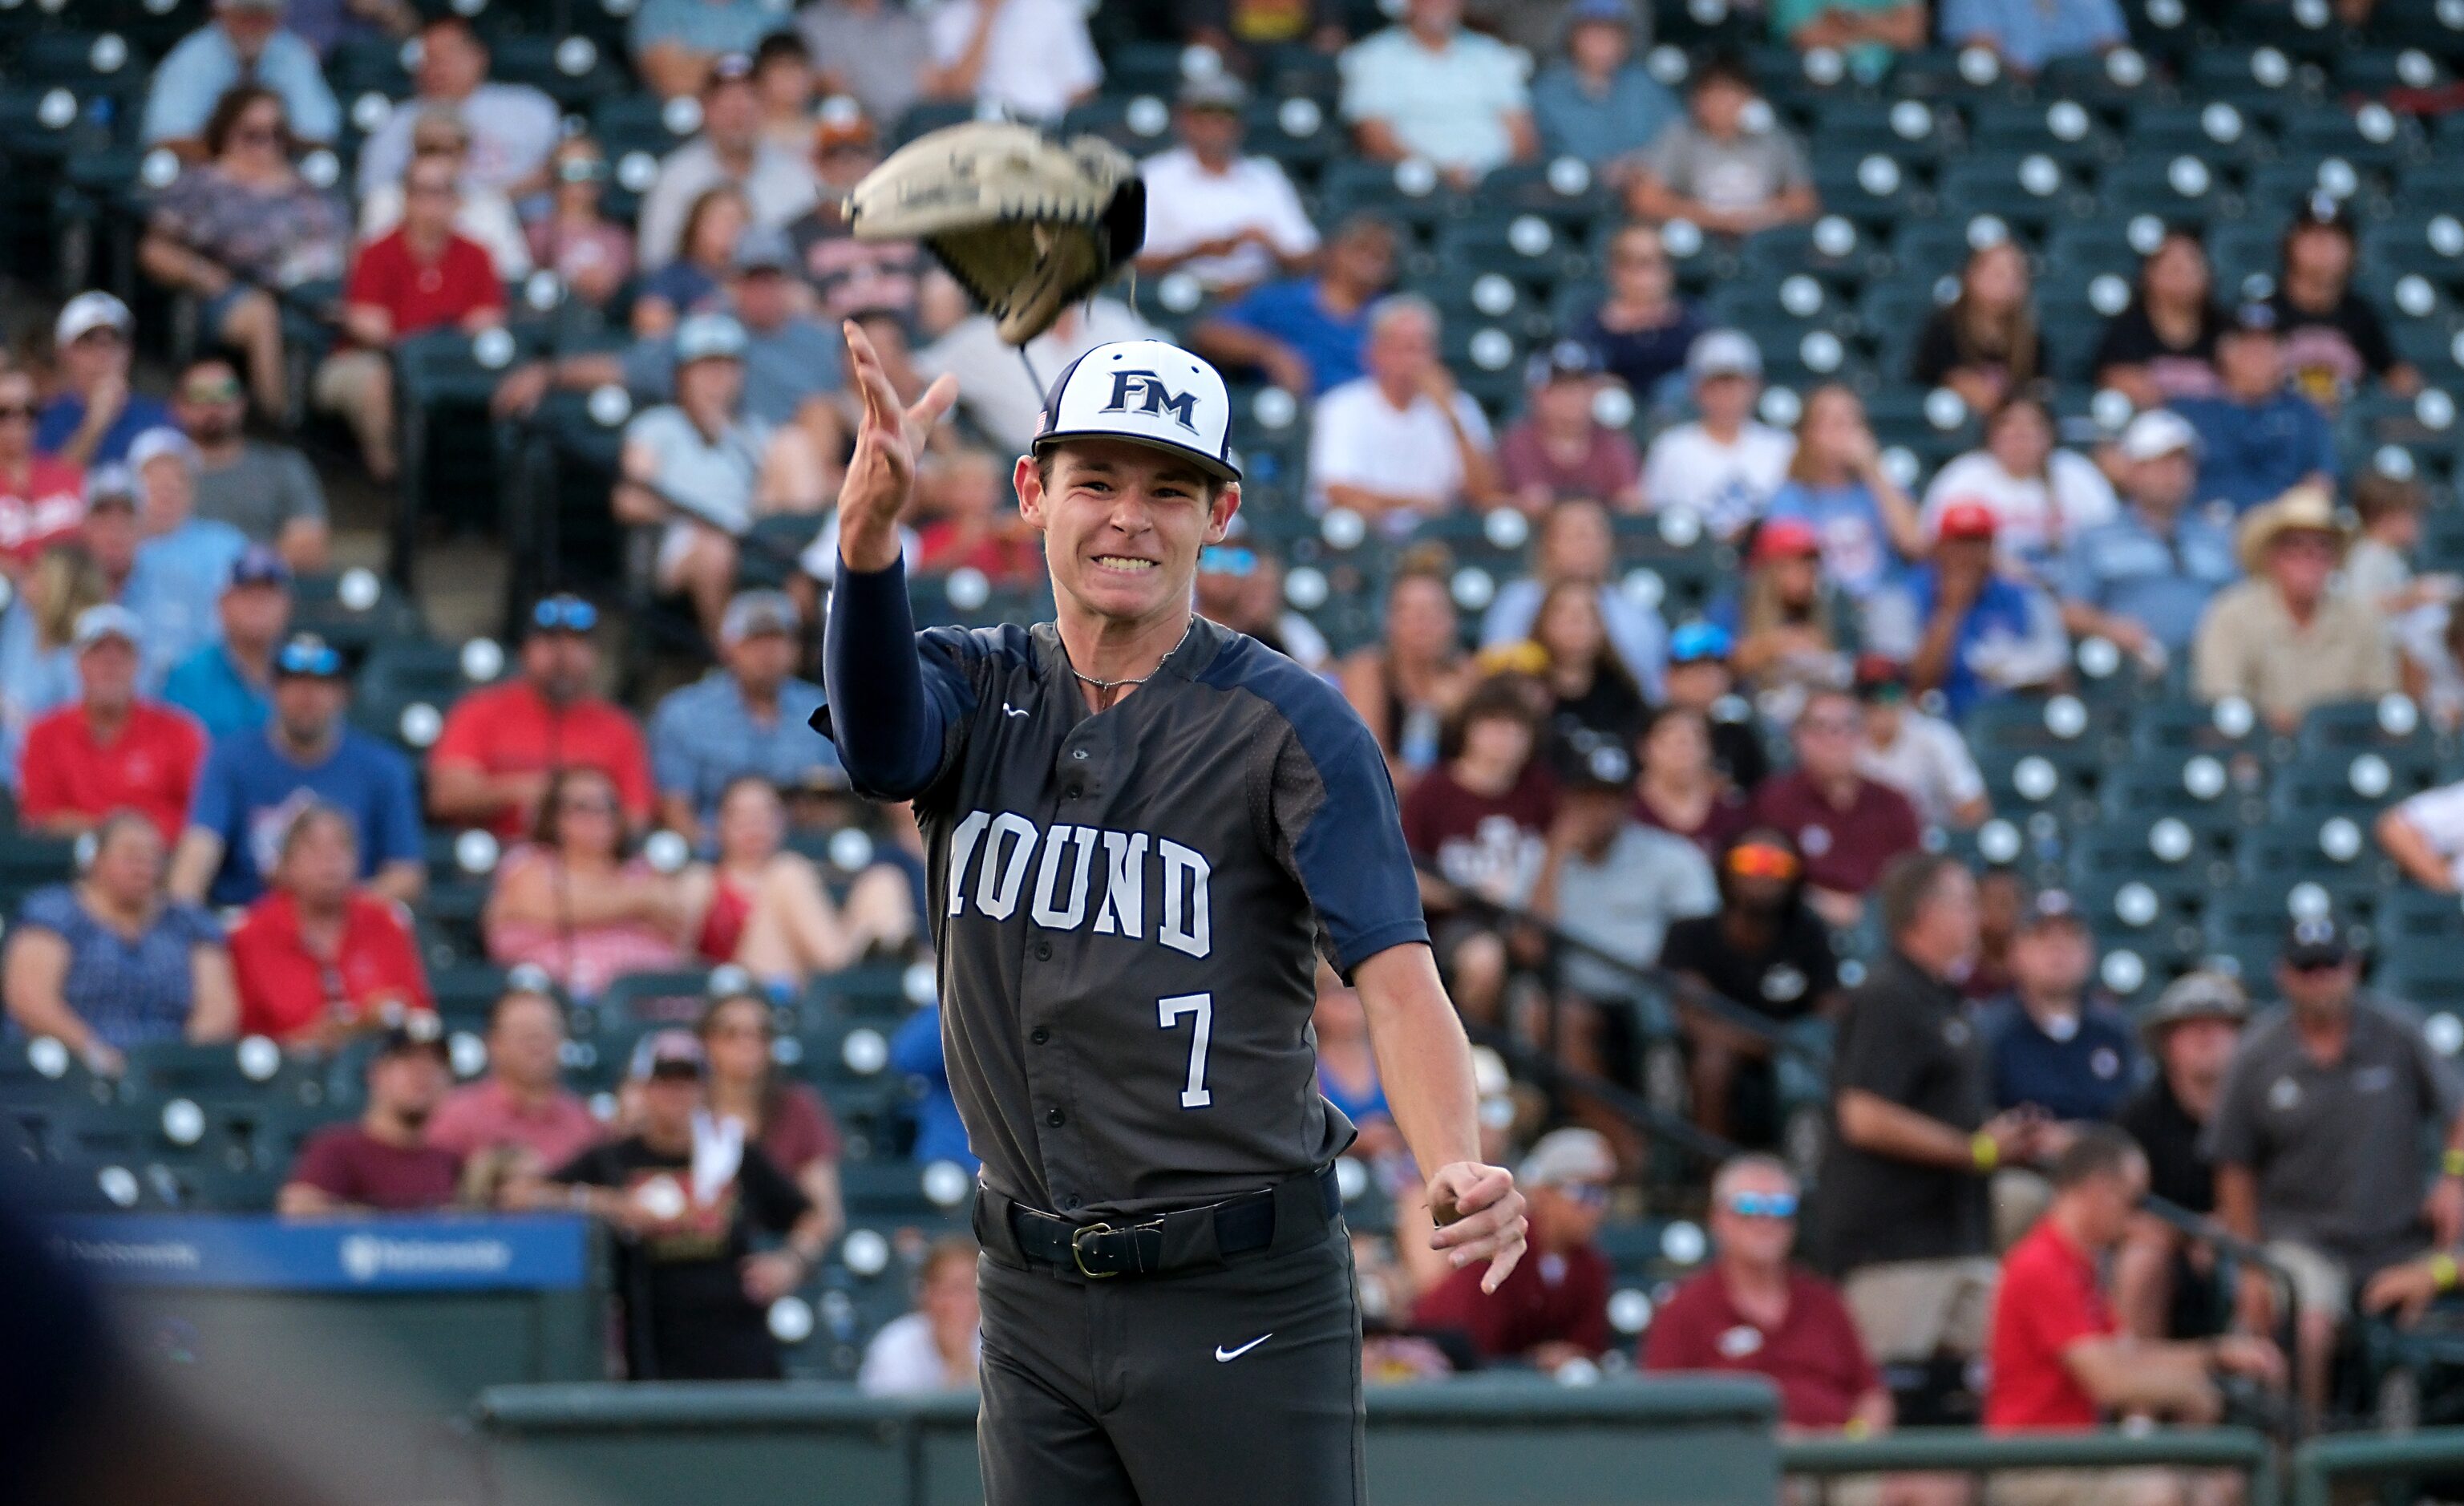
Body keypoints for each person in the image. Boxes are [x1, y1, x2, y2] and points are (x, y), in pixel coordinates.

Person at [820, 321, 1527, 1500]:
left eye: (1169, 488)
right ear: (1032, 490)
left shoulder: (1293, 723)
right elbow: (881, 749)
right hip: (1032, 1286)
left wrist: (1456, 1160)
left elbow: (1397, 976)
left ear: (1223, 512)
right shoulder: (971, 676)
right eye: (1095, 480)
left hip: (1238, 1287)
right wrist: (867, 542)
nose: (1128, 517)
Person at [2208, 915, 2464, 1423]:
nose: (2321, 978)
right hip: (2302, 1239)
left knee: (2420, 1339)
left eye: (2331, 965)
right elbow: (2233, 1164)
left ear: (2354, 968)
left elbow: (2459, 1111)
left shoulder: (2396, 1029)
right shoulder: (2258, 1052)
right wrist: (2252, 1263)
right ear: (2283, 975)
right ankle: (2311, 1458)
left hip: (2397, 1238)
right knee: (2312, 1321)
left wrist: (2454, 1178)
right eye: (2308, 968)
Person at [1817, 854, 2054, 1371]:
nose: (1980, 918)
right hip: (1893, 1248)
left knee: (1979, 1390)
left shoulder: (1947, 1000)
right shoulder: (1888, 995)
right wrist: (1972, 1150)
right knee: (1890, 1402)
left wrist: (2003, 1139)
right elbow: (1862, 1113)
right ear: (1926, 912)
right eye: (1967, 903)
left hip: (1957, 1236)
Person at [1984, 1127, 2284, 1506]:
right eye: (2131, 1201)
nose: (2133, 1218)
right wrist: (2195, 1389)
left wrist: (2216, 1355)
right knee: (2159, 1491)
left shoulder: (2078, 1262)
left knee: (2217, 1487)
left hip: (2076, 1456)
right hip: (2034, 1464)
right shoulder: (2042, 1263)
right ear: (2097, 1191)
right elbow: (2110, 1381)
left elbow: (2127, 1353)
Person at [1646, 1156, 1963, 1506]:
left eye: (1781, 1208)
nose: (1767, 1220)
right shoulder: (1684, 1309)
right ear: (1719, 1220)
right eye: (1749, 1207)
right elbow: (1664, 1415)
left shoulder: (1823, 1300)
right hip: (1743, 1466)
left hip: (1839, 1461)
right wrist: (1756, 1446)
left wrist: (1851, 1441)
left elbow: (1872, 1396)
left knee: (1938, 1488)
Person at [532, 1030, 832, 1380]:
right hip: (651, 1346)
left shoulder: (733, 1153)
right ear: (643, 1088)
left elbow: (810, 1215)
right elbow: (524, 1193)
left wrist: (791, 1262)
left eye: (687, 1082)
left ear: (704, 1089)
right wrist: (606, 1202)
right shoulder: (614, 1160)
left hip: (738, 1346)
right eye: (664, 1082)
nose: (675, 1094)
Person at [137, 87, 350, 424]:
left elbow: (347, 243)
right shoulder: (204, 183)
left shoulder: (309, 185)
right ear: (227, 131)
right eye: (253, 134)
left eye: (276, 134)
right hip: (243, 291)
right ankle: (282, 425)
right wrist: (199, 273)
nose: (267, 144)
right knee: (263, 314)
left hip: (319, 291)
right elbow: (156, 249)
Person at [172, 633, 424, 909]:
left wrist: (327, 908)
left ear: (344, 694)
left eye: (321, 684)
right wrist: (187, 923)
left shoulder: (383, 768)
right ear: (273, 691)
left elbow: (406, 875)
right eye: (294, 683)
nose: (307, 695)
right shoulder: (231, 758)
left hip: (347, 929)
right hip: (249, 924)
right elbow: (198, 852)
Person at [1531, 745, 1718, 1097]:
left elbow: (1703, 941)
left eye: (1610, 799)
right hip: (1578, 996)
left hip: (1654, 996)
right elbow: (1530, 947)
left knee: (1679, 1015)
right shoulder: (1543, 857)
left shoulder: (1671, 856)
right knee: (1549, 1014)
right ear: (1566, 801)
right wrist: (1554, 857)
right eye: (1587, 798)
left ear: (1629, 804)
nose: (1598, 811)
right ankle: (1628, 1145)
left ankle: (1671, 1139)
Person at [616, 314, 811, 641]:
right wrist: (703, 518)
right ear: (682, 374)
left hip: (748, 538)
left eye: (727, 366)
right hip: (679, 539)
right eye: (706, 366)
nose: (718, 377)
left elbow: (774, 499)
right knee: (714, 548)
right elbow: (629, 500)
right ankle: (730, 661)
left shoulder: (754, 432)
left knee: (799, 569)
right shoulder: (657, 424)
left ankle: (799, 668)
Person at [318, 152, 507, 482]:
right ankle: (398, 489)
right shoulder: (377, 251)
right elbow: (372, 328)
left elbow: (487, 322)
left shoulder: (476, 254)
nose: (432, 202)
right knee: (383, 384)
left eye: (442, 191)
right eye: (422, 191)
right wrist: (440, 332)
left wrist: (421, 336)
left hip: (449, 365)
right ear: (406, 197)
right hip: (371, 360)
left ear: (456, 200)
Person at [2, 810, 235, 1075]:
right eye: (131, 856)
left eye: (153, 857)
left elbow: (217, 1010)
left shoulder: (188, 922)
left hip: (168, 1074)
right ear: (96, 860)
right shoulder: (53, 912)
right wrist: (96, 1055)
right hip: (68, 1071)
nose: (143, 866)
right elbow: (30, 999)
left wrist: (176, 1064)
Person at [1660, 828, 1842, 1140]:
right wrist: (1774, 1045)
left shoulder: (1810, 933)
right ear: (1725, 869)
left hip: (1796, 1059)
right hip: (1722, 1055)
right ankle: (1715, 1172)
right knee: (1713, 1061)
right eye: (1750, 862)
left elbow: (1831, 1011)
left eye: (1776, 864)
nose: (1762, 873)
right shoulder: (1690, 934)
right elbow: (1693, 1016)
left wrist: (1790, 1046)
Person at [428, 594, 656, 840]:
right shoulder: (479, 709)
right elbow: (446, 796)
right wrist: (531, 791)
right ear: (525, 650)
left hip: (585, 864)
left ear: (594, 655)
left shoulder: (618, 726)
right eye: (549, 641)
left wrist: (579, 805)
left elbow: (637, 818)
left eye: (576, 642)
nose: (562, 656)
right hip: (495, 855)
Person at [1402, 674, 1558, 1026]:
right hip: (1453, 923)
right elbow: (1408, 878)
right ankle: (1473, 1051)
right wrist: (1471, 895)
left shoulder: (1541, 790)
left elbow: (1559, 861)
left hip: (1528, 922)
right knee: (1483, 961)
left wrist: (1535, 914)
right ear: (1468, 729)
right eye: (1493, 726)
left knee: (1543, 1001)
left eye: (1516, 729)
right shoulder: (1433, 791)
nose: (1504, 740)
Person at [2113, 973, 2248, 1344]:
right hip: (2163, 1247)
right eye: (2191, 1028)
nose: (2205, 1037)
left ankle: (2255, 1393)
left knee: (2257, 1273)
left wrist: (2230, 1227)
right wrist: (2184, 1234)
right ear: (2167, 1044)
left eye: (2219, 1027)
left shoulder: (2262, 1110)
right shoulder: (2138, 1116)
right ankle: (2140, 1393)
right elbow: (2113, 1205)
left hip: (2244, 1243)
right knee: (2141, 1260)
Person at [2191, 485, 2393, 733]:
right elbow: (2220, 704)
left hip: (2340, 754)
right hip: (2255, 754)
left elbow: (2379, 708)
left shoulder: (2362, 619)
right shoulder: (2231, 615)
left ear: (2334, 558)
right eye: (2294, 545)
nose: (2309, 557)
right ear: (2271, 556)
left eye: (2322, 546)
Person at [483, 766, 694, 1000]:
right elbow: (561, 904)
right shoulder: (527, 862)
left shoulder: (639, 868)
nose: (599, 814)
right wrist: (641, 900)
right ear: (553, 816)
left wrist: (632, 900)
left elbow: (676, 921)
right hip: (556, 1003)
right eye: (583, 806)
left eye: (609, 806)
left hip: (648, 1004)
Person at [227, 804, 430, 1046]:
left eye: (341, 847)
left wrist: (379, 1017)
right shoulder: (250, 934)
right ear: (286, 864)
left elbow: (421, 1016)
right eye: (314, 848)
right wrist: (321, 1036)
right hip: (285, 1076)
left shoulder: (386, 923)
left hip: (382, 1066)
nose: (330, 859)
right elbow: (241, 1041)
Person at [1412, 1129, 1611, 1372]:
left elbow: (1588, 1346)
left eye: (1602, 1194)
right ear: (1544, 1193)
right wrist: (1532, 1360)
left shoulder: (1590, 1266)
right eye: (1583, 1192)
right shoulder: (1501, 1243)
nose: (1595, 1207)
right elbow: (1469, 1339)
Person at [2057, 409, 2239, 666]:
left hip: (2209, 666)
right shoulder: (2096, 537)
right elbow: (2069, 610)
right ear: (2133, 470)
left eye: (2183, 463)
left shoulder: (2219, 536)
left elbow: (2243, 603)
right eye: (2162, 463)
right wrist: (2109, 628)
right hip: (2128, 669)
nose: (2174, 474)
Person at [695, 774, 912, 983]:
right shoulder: (704, 881)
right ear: (720, 823)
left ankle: (885, 977)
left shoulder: (808, 870)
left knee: (883, 880)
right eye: (743, 815)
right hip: (760, 993)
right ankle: (850, 976)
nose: (755, 825)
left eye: (765, 813)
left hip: (820, 975)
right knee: (786, 872)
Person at [650, 590, 831, 841]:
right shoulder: (683, 713)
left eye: (778, 639)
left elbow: (837, 804)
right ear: (727, 646)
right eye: (755, 640)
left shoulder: (823, 709)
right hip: (711, 856)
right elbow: (676, 812)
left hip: (801, 853)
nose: (768, 652)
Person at [18, 606, 204, 844]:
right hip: (70, 870)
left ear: (138, 664)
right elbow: (41, 819)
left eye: (122, 652)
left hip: (159, 866)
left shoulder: (180, 733)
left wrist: (100, 830)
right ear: (79, 662)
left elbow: (199, 819)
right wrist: (121, 835)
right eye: (98, 651)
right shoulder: (45, 734)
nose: (110, 663)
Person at [1308, 296, 1500, 525]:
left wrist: (1451, 417)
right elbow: (1339, 492)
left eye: (1423, 349)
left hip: (1439, 541)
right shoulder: (1341, 406)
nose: (1414, 361)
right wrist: (1415, 503)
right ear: (1374, 353)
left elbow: (1486, 495)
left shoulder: (1460, 406)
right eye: (1404, 349)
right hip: (1365, 539)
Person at [1867, 504, 2070, 721]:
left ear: (1992, 547)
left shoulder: (2022, 596)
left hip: (2013, 719)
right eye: (1959, 543)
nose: (1968, 554)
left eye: (1978, 543)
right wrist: (1950, 611)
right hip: (1936, 721)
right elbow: (1908, 685)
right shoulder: (1902, 597)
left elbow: (2059, 671)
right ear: (1939, 546)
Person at [1748, 690, 1921, 925]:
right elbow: (1762, 875)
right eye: (1821, 727)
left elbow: (1915, 879)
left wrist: (1869, 910)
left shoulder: (1894, 803)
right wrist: (1817, 901)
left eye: (1848, 727)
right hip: (1801, 923)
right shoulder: (1774, 801)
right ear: (1799, 737)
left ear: (1863, 736)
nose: (1835, 739)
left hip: (1882, 923)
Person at [1137, 75, 1318, 295]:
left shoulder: (1266, 175)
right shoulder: (1152, 175)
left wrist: (1269, 244)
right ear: (1183, 119)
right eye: (1204, 115)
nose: (1215, 125)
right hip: (1181, 293)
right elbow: (1128, 261)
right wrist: (1194, 252)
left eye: (1226, 115)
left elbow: (1307, 258)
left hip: (1258, 295)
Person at [1181, 212, 1392, 399]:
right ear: (1333, 251)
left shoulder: (1391, 318)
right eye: (1361, 249)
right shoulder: (1282, 299)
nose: (1370, 262)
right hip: (1287, 416)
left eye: (1380, 255)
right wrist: (1270, 352)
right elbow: (1209, 334)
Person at [636, 55, 817, 271]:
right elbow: (655, 262)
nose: (737, 112)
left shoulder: (794, 174)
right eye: (726, 101)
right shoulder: (675, 176)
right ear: (705, 109)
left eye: (748, 99)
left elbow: (812, 257)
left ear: (764, 107)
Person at [919, 299, 1163, 458]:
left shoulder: (1114, 320)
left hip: (1126, 451)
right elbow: (923, 382)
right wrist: (951, 457)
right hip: (1029, 464)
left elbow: (1167, 372)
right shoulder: (983, 335)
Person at [700, 989, 846, 1249]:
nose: (748, 1043)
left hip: (780, 1252)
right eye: (731, 1033)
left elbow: (825, 1211)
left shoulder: (798, 1107)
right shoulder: (688, 1108)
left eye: (762, 1033)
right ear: (706, 1042)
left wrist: (790, 1262)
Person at [354, 14, 558, 200]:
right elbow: (375, 193)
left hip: (523, 225)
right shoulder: (397, 122)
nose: (437, 67)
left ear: (479, 57)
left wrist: (491, 201)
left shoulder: (528, 106)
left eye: (447, 56)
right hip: (432, 228)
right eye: (429, 59)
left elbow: (562, 167)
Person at [1481, 498, 1668, 701]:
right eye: (1576, 534)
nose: (1587, 544)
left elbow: (1650, 686)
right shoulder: (1517, 601)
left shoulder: (1635, 610)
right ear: (1548, 543)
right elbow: (1499, 677)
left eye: (1597, 534)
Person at [1918, 396, 2118, 583]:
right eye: (2008, 424)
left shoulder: (2077, 473)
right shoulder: (1964, 475)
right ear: (1991, 434)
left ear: (2050, 434)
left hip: (2072, 591)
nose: (2020, 434)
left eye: (2033, 425)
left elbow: (2111, 543)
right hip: (1988, 591)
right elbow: (1933, 544)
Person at [1980, 890, 2137, 1124]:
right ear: (2014, 952)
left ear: (2090, 952)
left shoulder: (2115, 1031)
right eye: (2042, 936)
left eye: (2071, 936)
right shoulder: (1987, 1031)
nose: (2058, 948)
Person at [1339, 0, 1537, 185]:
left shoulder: (1492, 54)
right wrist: (1441, 174)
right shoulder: (1374, 57)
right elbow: (1375, 138)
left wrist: (1496, 179)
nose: (1440, 4)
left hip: (1496, 186)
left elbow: (1522, 135)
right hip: (1416, 186)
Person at [2172, 302, 2339, 516]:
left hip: (2277, 534)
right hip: (2202, 531)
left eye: (2267, 344)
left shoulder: (2304, 413)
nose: (2257, 354)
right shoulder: (2190, 411)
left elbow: (2322, 480)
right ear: (2224, 351)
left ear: (2284, 354)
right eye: (2246, 344)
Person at [1764, 386, 1924, 604]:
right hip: (1818, 606)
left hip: (1882, 602)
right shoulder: (1790, 497)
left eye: (1854, 422)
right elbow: (1787, 573)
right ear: (1809, 434)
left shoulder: (1884, 487)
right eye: (1836, 423)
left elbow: (1915, 545)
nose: (1847, 433)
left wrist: (1872, 469)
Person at [426, 986, 603, 1180]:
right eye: (523, 1032)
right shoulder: (456, 1119)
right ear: (494, 1043)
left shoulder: (585, 1124)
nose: (536, 1042)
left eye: (547, 1030)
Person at [278, 1026, 462, 1214]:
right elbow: (298, 1209)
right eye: (407, 1058)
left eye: (437, 1062)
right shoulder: (338, 1149)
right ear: (377, 1074)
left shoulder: (447, 1161)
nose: (423, 1071)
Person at [1626, 56, 1817, 235]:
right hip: (1699, 240)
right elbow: (1645, 200)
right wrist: (1714, 219)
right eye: (1714, 94)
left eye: (1731, 93)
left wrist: (1757, 216)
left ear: (1750, 98)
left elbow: (1804, 203)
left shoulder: (1773, 136)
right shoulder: (1679, 136)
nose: (1723, 104)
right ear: (1697, 100)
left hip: (1760, 239)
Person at [172, 357, 330, 569]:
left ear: (242, 402)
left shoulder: (283, 466)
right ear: (177, 406)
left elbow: (310, 548)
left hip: (261, 592)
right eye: (200, 394)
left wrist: (245, 574)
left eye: (226, 392)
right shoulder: (158, 473)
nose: (214, 403)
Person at [1641, 330, 1796, 544]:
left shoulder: (1783, 446)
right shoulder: (1671, 447)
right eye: (1715, 384)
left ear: (1755, 386)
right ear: (1696, 389)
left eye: (1735, 383)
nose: (1726, 394)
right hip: (1694, 565)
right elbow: (1654, 516)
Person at [124, 428, 249, 682]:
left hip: (205, 683)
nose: (167, 489)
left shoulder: (227, 545)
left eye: (179, 480)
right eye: (154, 480)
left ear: (192, 490)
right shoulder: (114, 547)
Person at [1344, 556, 1477, 789]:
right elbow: (1369, 767)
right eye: (1408, 612)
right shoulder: (1368, 670)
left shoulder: (1469, 674)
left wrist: (1458, 713)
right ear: (1389, 621)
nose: (1421, 624)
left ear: (1452, 621)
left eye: (1432, 612)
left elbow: (1488, 772)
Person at [354, 106, 533, 281]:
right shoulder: (384, 201)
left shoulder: (490, 205)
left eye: (447, 150)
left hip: (473, 304)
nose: (437, 159)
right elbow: (368, 276)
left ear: (464, 155)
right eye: (428, 150)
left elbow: (513, 274)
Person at [2269, 203, 2420, 410]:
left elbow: (2396, 375)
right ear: (2289, 244)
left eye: (2334, 237)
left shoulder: (2362, 316)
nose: (2322, 247)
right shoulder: (2264, 314)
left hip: (2346, 433)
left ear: (2352, 249)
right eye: (2312, 235)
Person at [142, 0, 339, 153]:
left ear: (279, 17)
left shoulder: (293, 54)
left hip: (278, 180)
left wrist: (263, 153)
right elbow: (168, 137)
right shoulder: (192, 56)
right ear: (221, 14)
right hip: (206, 177)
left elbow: (319, 133)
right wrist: (233, 162)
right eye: (245, 15)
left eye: (262, 15)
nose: (253, 24)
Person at [1532, 0, 1681, 174]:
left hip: (1646, 185)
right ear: (1572, 37)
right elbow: (1535, 156)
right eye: (1594, 34)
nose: (1603, 43)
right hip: (1574, 194)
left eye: (1613, 35)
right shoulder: (1546, 91)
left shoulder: (1645, 84)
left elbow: (1679, 138)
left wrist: (1639, 164)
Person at [1496, 343, 1645, 514]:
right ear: (1537, 395)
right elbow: (1530, 502)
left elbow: (1632, 501)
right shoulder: (1519, 441)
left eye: (1582, 388)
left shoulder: (1612, 442)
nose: (1573, 398)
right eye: (1561, 388)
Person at [162, 545, 292, 739]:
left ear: (287, 607)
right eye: (247, 594)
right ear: (222, 605)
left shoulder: (306, 674)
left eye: (268, 595)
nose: (257, 605)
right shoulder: (188, 676)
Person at [1726, 519, 1855, 710]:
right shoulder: (1734, 604)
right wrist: (1777, 644)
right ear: (1768, 570)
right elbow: (1721, 666)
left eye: (1810, 565)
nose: (1805, 573)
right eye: (1791, 565)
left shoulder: (1828, 612)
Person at [2092, 229, 2227, 410]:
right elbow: (2118, 379)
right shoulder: (2127, 330)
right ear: (2149, 273)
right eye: (2174, 268)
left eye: (2192, 265)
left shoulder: (2223, 330)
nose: (2183, 276)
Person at [1572, 222, 1704, 407]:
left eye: (1657, 262)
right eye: (1634, 263)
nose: (1648, 275)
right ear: (1614, 270)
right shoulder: (1591, 329)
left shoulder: (1694, 323)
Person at [1852, 657, 1989, 831]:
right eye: (1868, 695)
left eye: (1889, 693)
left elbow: (1973, 806)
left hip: (1929, 840)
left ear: (1906, 695)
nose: (1880, 703)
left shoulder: (1935, 736)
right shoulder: (1845, 741)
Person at [1528, 584, 1653, 773]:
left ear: (1601, 627)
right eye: (1563, 611)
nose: (1576, 621)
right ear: (1543, 622)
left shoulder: (1623, 693)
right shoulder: (1522, 690)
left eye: (1588, 613)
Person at [38, 294, 169, 470]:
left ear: (128, 352)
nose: (103, 355)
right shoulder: (41, 420)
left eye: (113, 342)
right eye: (89, 342)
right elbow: (48, 491)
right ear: (64, 353)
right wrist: (95, 424)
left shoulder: (157, 418)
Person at [1912, 242, 2045, 418]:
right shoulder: (1944, 330)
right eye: (1999, 274)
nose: (2009, 282)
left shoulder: (2033, 339)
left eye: (2017, 275)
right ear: (1972, 275)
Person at [920, 0, 1103, 121]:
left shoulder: (1053, 11)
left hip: (1043, 129)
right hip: (976, 133)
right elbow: (955, 89)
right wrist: (988, 15)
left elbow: (1082, 89)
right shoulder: (947, 19)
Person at [860, 1237, 985, 1395]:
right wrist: (954, 1366)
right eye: (948, 1290)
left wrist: (965, 1362)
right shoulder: (895, 1346)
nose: (957, 1303)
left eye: (967, 1289)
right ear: (926, 1294)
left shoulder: (1001, 1344)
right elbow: (888, 1416)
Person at [1661, 621, 1772, 793]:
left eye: (1716, 668)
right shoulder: (1650, 729)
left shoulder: (1737, 730)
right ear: (1671, 677)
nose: (1707, 679)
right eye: (1696, 669)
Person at [525, 137, 633, 311]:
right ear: (554, 177)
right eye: (571, 171)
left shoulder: (618, 237)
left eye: (593, 171)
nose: (583, 182)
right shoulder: (536, 234)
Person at [1632, 703, 1753, 853]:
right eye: (1669, 739)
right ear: (1644, 748)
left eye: (1694, 738)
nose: (1682, 749)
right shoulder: (1628, 809)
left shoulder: (1729, 810)